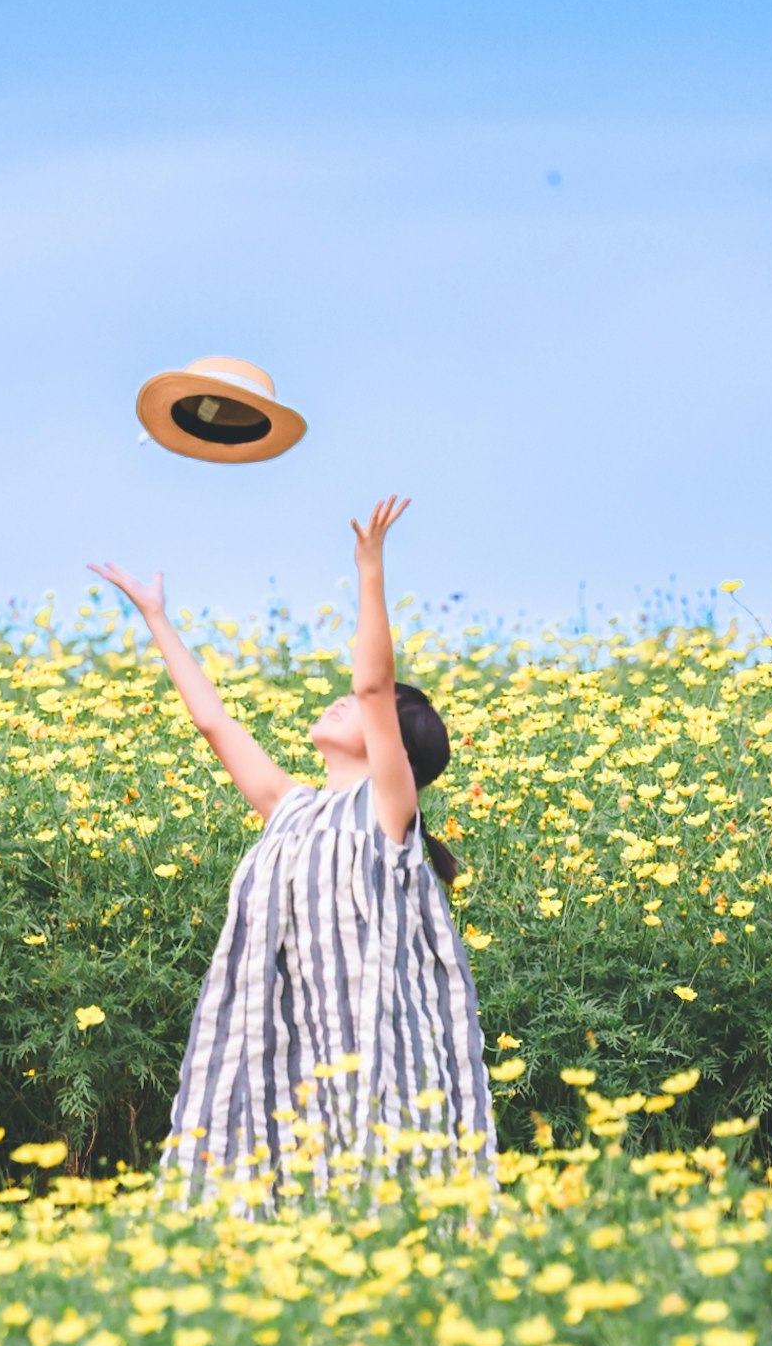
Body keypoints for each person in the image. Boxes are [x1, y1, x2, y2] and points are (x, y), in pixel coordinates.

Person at [90, 494, 496, 1209]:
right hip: (287, 1047)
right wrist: (156, 617)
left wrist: (369, 568)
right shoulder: (293, 808)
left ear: (390, 744)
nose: (345, 701)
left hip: (374, 1053)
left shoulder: (387, 812)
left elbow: (372, 683)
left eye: (367, 709)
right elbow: (211, 722)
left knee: (378, 1192)